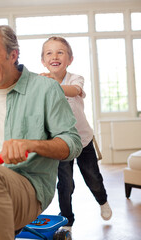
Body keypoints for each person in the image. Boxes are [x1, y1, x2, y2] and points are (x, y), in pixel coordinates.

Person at [0, 23, 83, 240]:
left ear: (13, 55)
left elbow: (72, 142)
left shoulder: (45, 89)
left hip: (24, 185)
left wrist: (32, 144)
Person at [41, 36, 112, 227]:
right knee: (65, 184)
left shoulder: (75, 79)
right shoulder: (41, 83)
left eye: (60, 52)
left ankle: (102, 200)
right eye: (49, 53)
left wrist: (53, 85)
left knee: (93, 178)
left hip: (83, 140)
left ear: (69, 59)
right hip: (61, 143)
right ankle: (66, 220)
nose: (54, 56)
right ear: (43, 61)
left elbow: (73, 90)